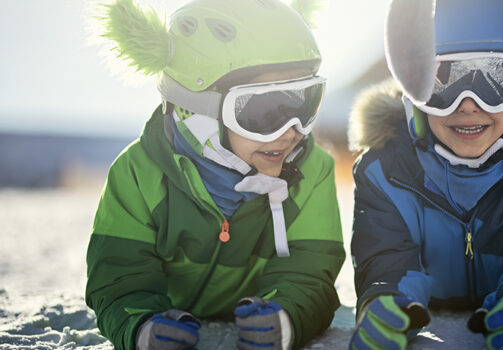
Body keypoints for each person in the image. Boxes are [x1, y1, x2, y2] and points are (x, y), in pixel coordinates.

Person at [85, 1, 345, 349]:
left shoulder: (311, 169)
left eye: (304, 102)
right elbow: (119, 274)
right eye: (263, 110)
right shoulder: (137, 174)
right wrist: (141, 327)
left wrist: (286, 316)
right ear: (202, 114)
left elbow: (312, 270)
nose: (290, 131)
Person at [347, 0, 503, 349]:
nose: (467, 103)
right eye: (442, 81)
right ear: (413, 93)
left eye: (497, 78)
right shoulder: (385, 173)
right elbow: (385, 254)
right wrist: (385, 300)